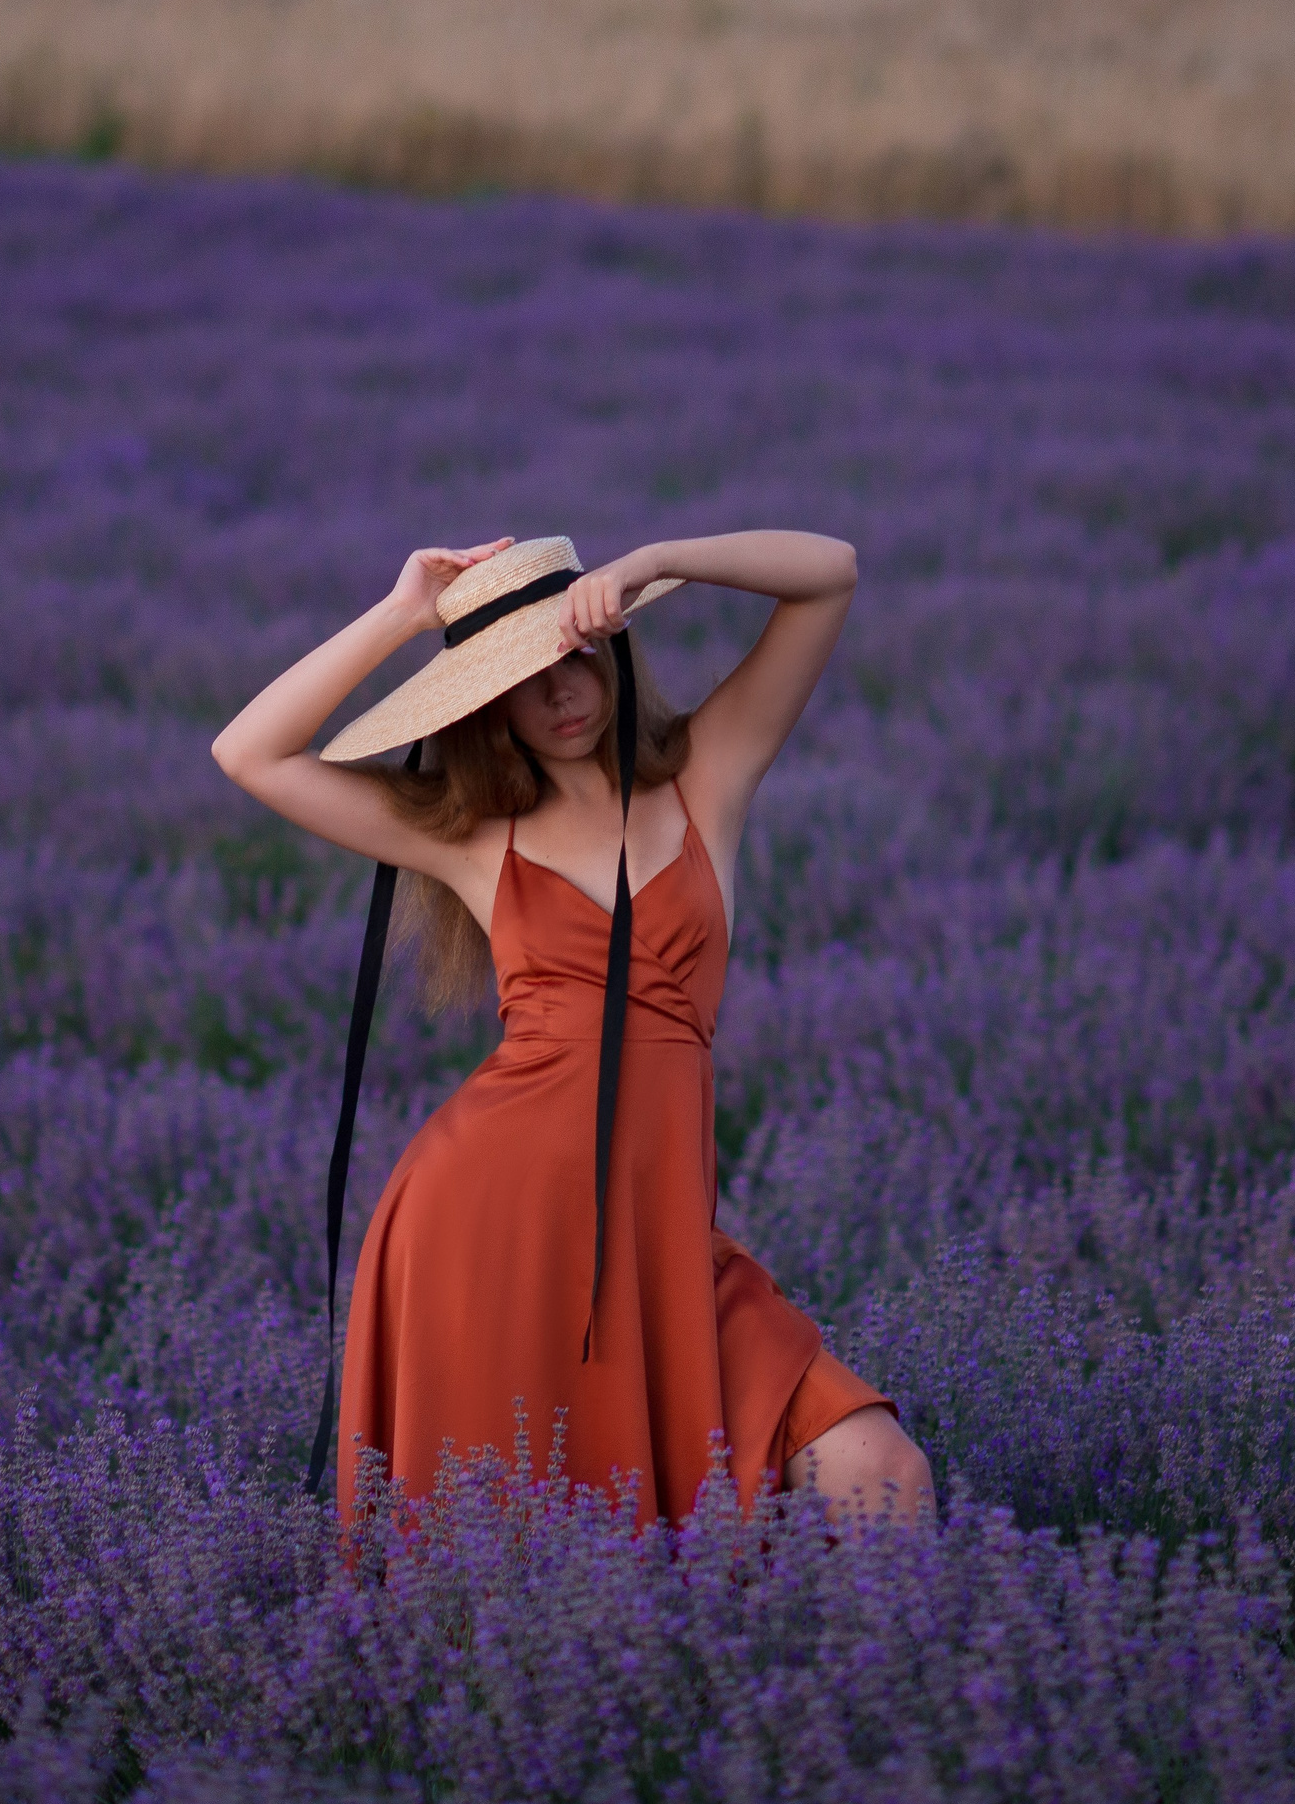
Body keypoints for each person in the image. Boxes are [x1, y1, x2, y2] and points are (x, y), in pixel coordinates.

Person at [212, 529, 935, 1529]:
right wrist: (403, 614)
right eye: (524, 680)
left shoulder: (704, 778)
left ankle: (884, 1688)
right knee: (516, 1552)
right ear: (485, 704)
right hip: (489, 1225)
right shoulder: (467, 836)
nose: (560, 696)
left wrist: (646, 567)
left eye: (576, 657)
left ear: (614, 651)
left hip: (661, 1240)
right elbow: (246, 752)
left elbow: (832, 574)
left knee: (877, 1468)